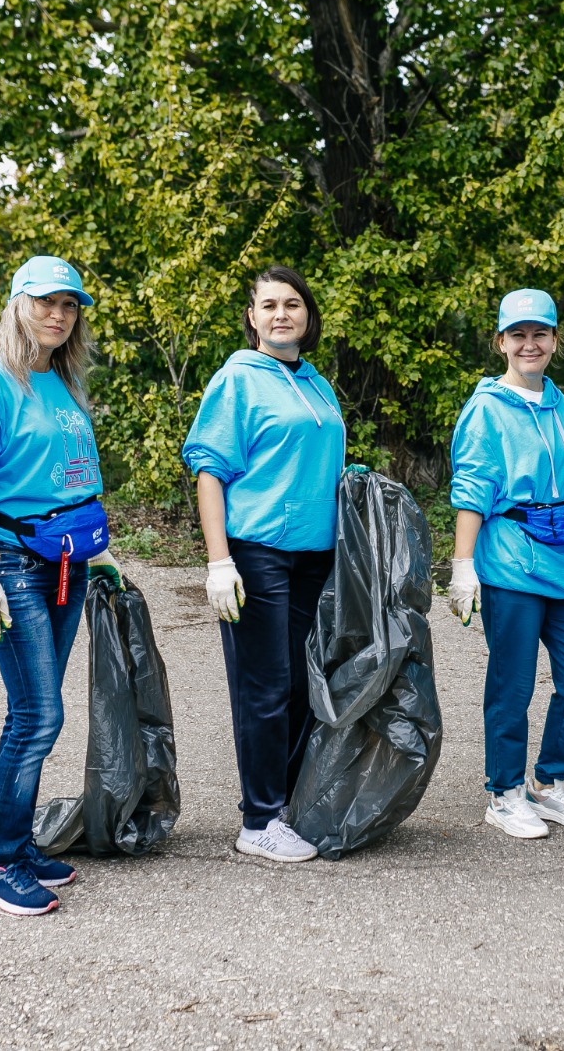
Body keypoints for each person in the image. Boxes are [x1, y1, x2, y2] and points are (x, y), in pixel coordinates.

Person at [0, 255, 122, 916]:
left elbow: (70, 475)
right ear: (17, 304)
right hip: (15, 566)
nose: (58, 313)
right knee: (37, 715)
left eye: (70, 304)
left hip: (66, 562)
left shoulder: (63, 380)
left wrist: (99, 552)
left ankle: (17, 847)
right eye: (45, 301)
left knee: (34, 710)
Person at [182, 265, 357, 863]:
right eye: (269, 305)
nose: (282, 313)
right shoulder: (237, 380)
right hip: (258, 553)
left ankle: (285, 804)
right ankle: (256, 822)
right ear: (252, 317)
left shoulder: (317, 384)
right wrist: (218, 562)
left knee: (303, 683)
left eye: (293, 304)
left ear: (308, 318)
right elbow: (210, 471)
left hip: (316, 555)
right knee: (264, 687)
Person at [448, 288, 564, 839]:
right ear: (501, 342)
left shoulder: (556, 400)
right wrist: (464, 567)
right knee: (514, 684)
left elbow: (558, 475)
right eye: (518, 335)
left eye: (540, 334)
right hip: (511, 565)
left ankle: (548, 785)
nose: (530, 344)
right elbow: (473, 492)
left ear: (555, 340)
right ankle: (504, 793)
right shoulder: (486, 408)